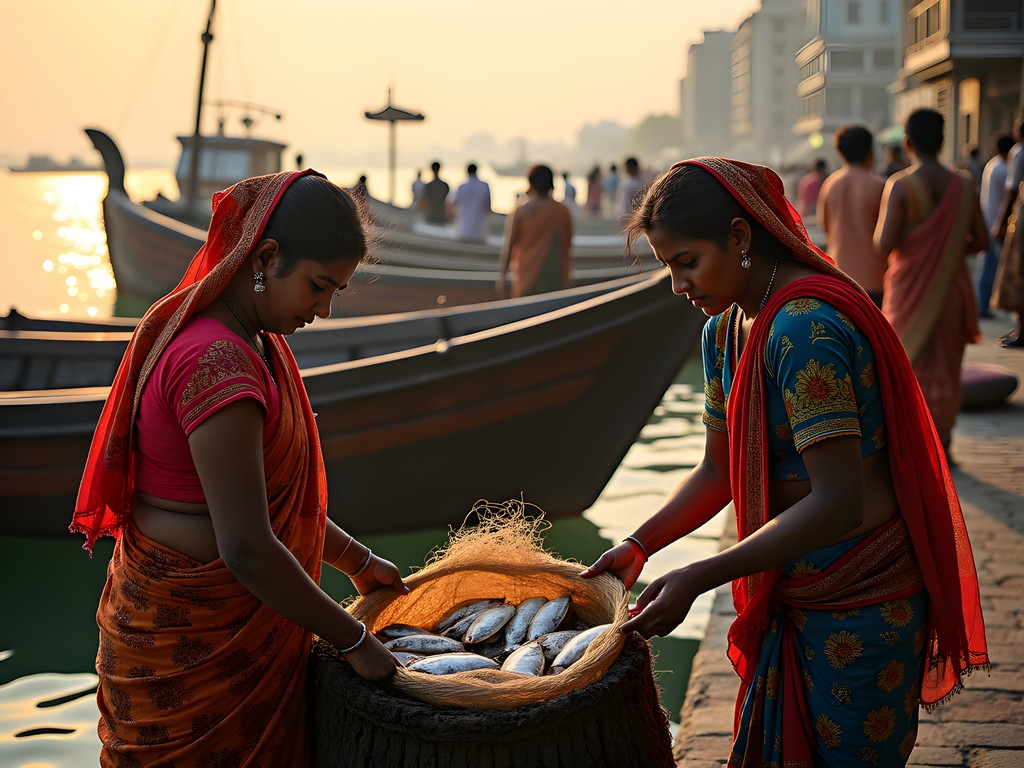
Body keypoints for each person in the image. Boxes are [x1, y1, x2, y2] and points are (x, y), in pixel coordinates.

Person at [581, 157, 988, 766]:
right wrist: (642, 544)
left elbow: (837, 499)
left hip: (863, 595)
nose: (678, 285)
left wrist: (700, 575)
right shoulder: (723, 331)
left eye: (687, 262)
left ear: (740, 238)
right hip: (793, 585)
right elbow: (718, 472)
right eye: (669, 268)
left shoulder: (805, 330)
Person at [71, 170, 410, 766]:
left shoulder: (254, 341)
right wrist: (354, 640)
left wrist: (359, 562)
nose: (324, 311)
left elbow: (270, 505)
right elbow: (249, 546)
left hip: (228, 630)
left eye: (336, 293)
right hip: (188, 650)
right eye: (318, 287)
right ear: (267, 257)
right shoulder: (217, 362)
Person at [874, 108, 989, 458]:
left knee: (909, 369)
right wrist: (949, 248)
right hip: (952, 290)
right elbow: (981, 240)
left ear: (907, 143)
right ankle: (944, 446)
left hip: (909, 291)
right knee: (947, 372)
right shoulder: (965, 185)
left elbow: (884, 243)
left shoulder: (901, 186)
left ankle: (917, 448)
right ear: (941, 142)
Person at [818, 124, 887, 306]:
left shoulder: (830, 184)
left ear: (841, 153)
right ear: (871, 152)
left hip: (839, 274)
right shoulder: (880, 185)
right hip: (875, 277)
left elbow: (825, 226)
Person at [497, 164, 573, 297]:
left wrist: (502, 276)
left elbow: (510, 245)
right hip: (555, 275)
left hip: (527, 273)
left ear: (531, 183)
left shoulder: (521, 211)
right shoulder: (562, 210)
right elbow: (567, 243)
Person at [991, 107, 1024, 347]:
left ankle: (1021, 330)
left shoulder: (1019, 152)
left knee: (1016, 274)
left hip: (1021, 218)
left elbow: (1012, 191)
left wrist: (1000, 222)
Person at [977, 134, 1014, 317]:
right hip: (997, 223)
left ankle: (983, 304)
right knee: (995, 267)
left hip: (989, 220)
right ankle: (985, 304)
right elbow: (1008, 197)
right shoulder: (1004, 169)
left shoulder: (992, 165)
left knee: (989, 266)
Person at [450, 162, 492, 243]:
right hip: (480, 233)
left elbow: (452, 205)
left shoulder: (461, 187)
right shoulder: (484, 186)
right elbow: (488, 209)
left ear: (467, 172)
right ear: (477, 171)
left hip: (462, 232)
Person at [420, 160, 450, 225]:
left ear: (431, 170)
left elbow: (423, 202)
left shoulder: (428, 186)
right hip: (441, 217)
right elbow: (448, 203)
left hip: (431, 217)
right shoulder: (444, 185)